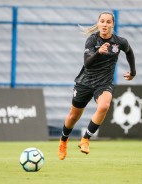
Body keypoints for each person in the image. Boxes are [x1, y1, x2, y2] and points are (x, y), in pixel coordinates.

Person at [58, 11, 136, 160]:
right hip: (84, 82)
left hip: (104, 83)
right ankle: (63, 141)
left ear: (113, 24)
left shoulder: (120, 42)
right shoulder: (92, 40)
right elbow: (87, 63)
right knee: (74, 116)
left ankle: (85, 139)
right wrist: (98, 52)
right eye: (102, 21)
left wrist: (133, 72)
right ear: (98, 23)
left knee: (104, 105)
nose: (105, 25)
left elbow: (129, 52)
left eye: (108, 22)